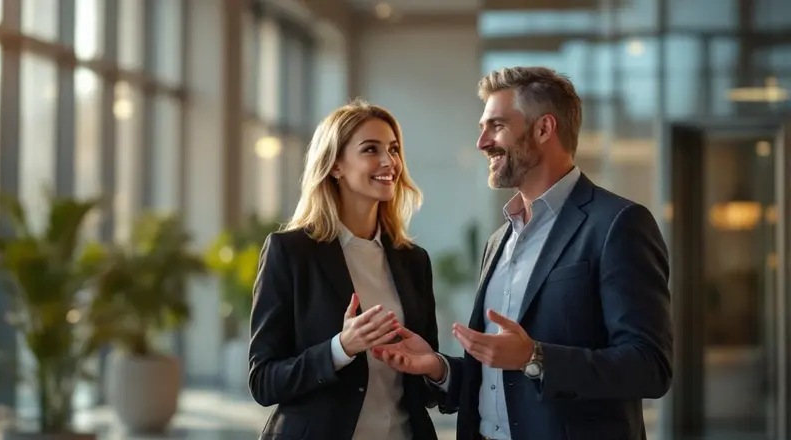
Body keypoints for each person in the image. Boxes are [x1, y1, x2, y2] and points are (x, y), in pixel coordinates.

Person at [372, 66, 674, 440]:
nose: (482, 142)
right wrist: (438, 367)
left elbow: (650, 366)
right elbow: (503, 382)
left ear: (544, 128)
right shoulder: (499, 241)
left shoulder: (618, 224)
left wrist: (535, 357)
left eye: (496, 126)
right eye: (482, 127)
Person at [248, 99, 442, 440]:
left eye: (393, 149)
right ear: (335, 165)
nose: (389, 162)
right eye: (371, 149)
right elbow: (264, 381)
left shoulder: (414, 261)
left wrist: (435, 368)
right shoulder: (291, 253)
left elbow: (425, 392)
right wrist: (340, 348)